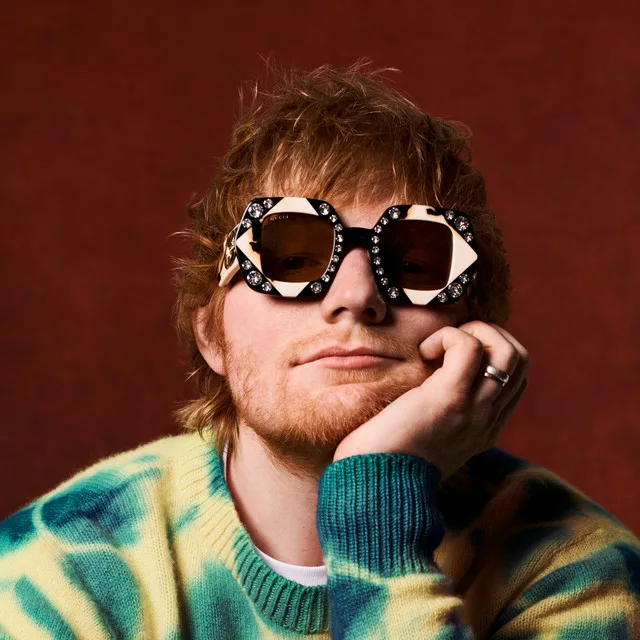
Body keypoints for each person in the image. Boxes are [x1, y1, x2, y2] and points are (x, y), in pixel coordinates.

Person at [1, 63, 638, 639]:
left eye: (414, 260)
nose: (356, 295)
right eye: (292, 257)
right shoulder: (64, 566)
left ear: (473, 326)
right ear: (213, 336)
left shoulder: (577, 570)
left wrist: (377, 492)